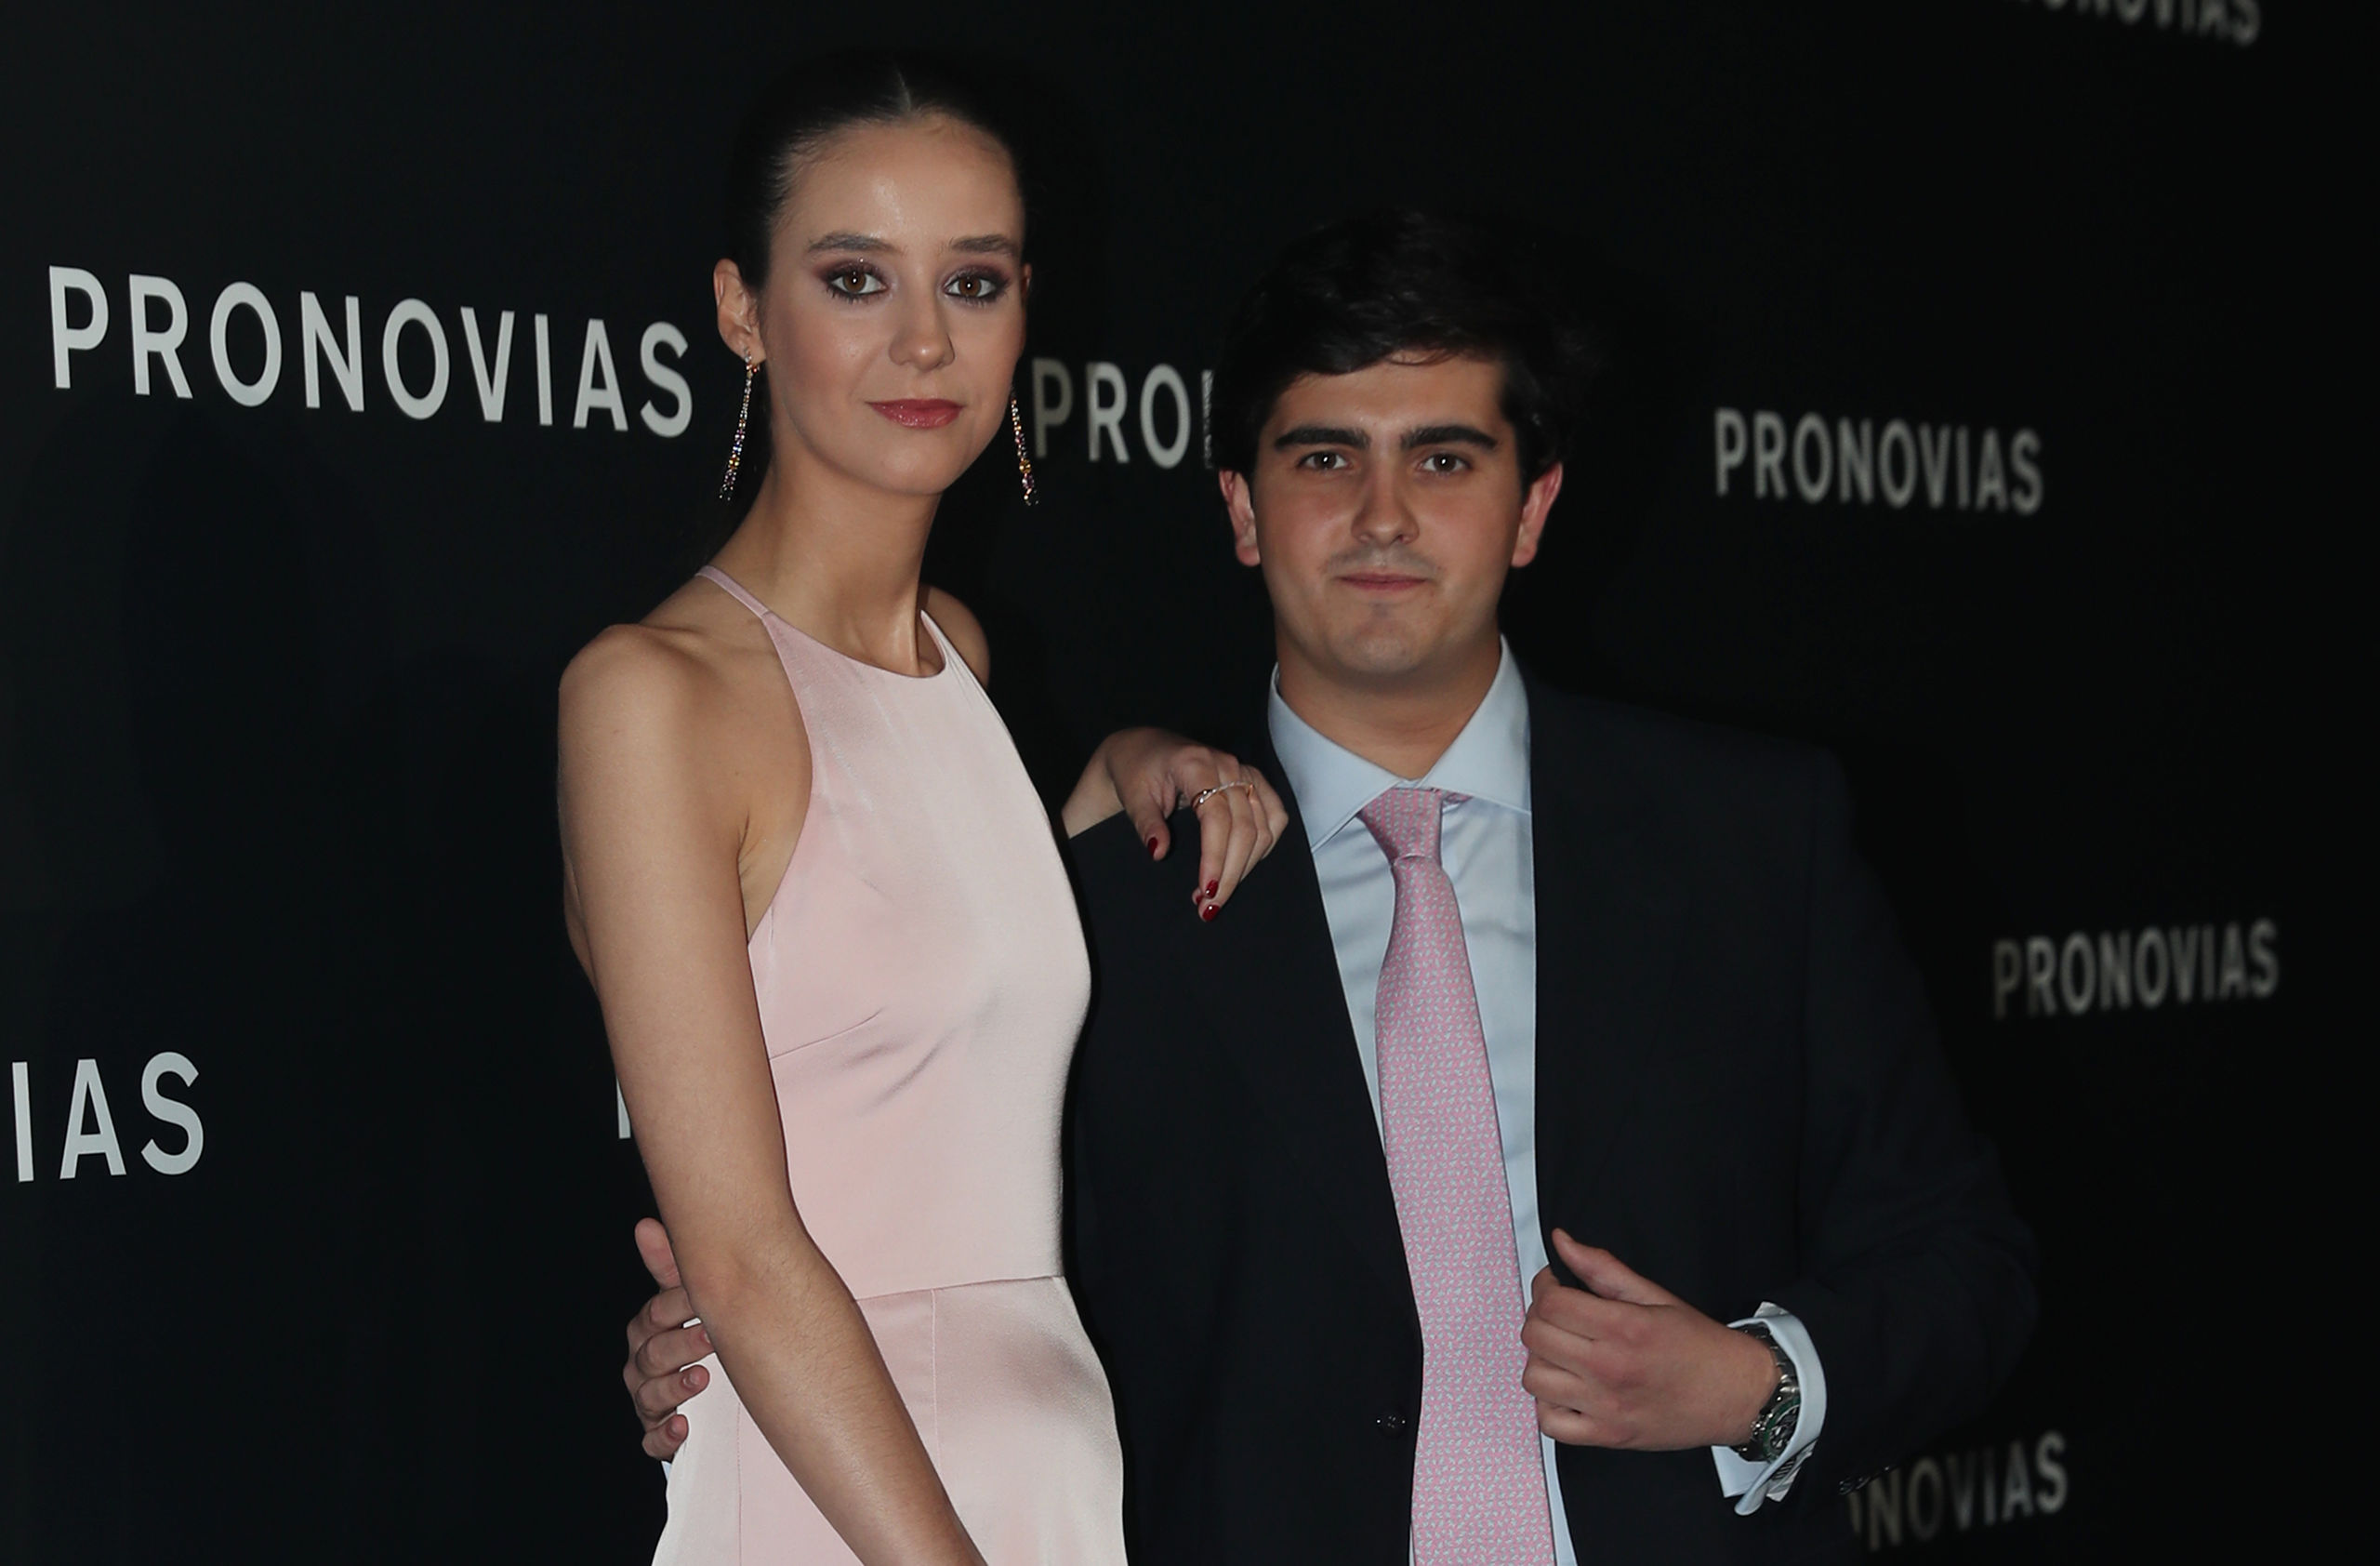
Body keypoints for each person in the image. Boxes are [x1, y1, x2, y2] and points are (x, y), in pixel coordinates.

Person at [625, 210, 2038, 1564]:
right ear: (1241, 509)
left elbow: (1965, 1266)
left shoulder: (1755, 838)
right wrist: (726, 1350)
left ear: (1533, 506)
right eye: (1323, 458)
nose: (1381, 518)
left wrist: (1760, 1389)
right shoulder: (1100, 913)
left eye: (1444, 459)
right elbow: (963, 1268)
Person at [562, 53, 1287, 1566]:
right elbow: (741, 1258)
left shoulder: (956, 649)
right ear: (742, 311)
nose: (922, 340)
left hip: (1046, 1459)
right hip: (845, 1494)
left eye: (972, 282)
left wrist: (1125, 765)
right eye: (854, 278)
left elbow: (909, 932)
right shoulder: (652, 698)